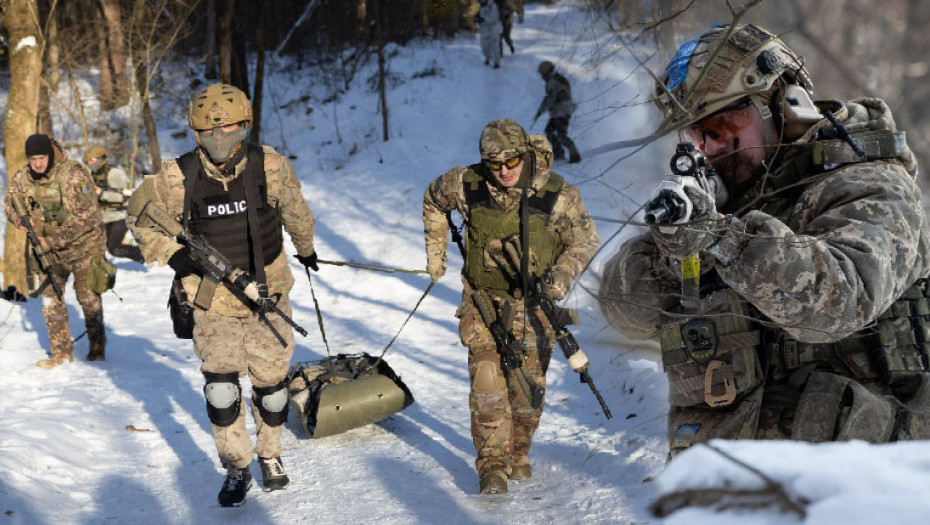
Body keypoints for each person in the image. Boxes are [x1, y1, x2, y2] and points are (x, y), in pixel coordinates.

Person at [598, 24, 930, 459]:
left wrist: (723, 239)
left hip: (854, 484)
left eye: (722, 123)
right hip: (727, 483)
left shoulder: (870, 185)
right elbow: (623, 312)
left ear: (785, 105)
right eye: (694, 132)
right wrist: (672, 253)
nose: (706, 145)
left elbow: (840, 300)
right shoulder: (724, 200)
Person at [127, 83, 319, 507]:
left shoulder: (269, 166)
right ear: (197, 133)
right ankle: (237, 466)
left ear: (244, 125)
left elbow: (295, 212)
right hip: (210, 300)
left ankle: (270, 456)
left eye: (229, 128)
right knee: (221, 390)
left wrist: (306, 249)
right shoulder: (177, 176)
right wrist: (170, 253)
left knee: (271, 388)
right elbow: (138, 213)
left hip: (267, 291)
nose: (219, 138)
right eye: (210, 132)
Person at [423, 119, 600, 494]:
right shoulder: (465, 183)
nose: (504, 172)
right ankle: (492, 468)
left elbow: (585, 241)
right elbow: (433, 200)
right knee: (487, 382)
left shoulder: (557, 195)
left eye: (512, 163)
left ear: (525, 155)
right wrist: (435, 254)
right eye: (494, 164)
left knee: (526, 394)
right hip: (482, 301)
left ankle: (517, 453)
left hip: (534, 309)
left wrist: (562, 276)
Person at [4, 134, 108, 367]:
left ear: (50, 155)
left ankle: (97, 345)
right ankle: (61, 353)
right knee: (51, 300)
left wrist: (52, 240)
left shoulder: (73, 174)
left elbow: (88, 218)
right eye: (33, 159)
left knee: (88, 298)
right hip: (47, 250)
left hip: (83, 247)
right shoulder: (22, 177)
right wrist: (19, 221)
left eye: (41, 157)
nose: (38, 164)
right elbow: (9, 204)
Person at [83, 146, 144, 263]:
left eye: (92, 160)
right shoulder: (92, 175)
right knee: (99, 247)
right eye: (88, 162)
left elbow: (123, 196)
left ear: (101, 158)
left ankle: (143, 255)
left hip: (120, 215)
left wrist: (101, 193)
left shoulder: (114, 173)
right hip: (103, 216)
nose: (90, 164)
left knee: (114, 248)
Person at [534, 61, 580, 163]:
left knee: (560, 134)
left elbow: (551, 98)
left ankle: (574, 155)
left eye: (542, 74)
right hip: (559, 111)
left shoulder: (553, 81)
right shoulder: (555, 79)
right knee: (550, 131)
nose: (542, 76)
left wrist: (541, 110)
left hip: (562, 110)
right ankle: (559, 153)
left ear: (546, 72)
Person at [477, 0, 502, 68]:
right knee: (484, 44)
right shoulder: (482, 6)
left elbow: (493, 19)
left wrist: (483, 18)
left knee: (494, 45)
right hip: (485, 28)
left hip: (494, 28)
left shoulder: (493, 6)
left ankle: (496, 62)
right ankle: (487, 57)